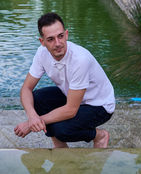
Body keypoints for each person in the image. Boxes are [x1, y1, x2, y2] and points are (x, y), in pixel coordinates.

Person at [14, 13, 115, 148]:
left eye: (60, 36)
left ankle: (100, 135)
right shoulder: (41, 53)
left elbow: (70, 110)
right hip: (72, 96)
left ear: (66, 34)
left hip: (99, 105)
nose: (58, 43)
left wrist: (30, 125)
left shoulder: (80, 59)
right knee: (37, 98)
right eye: (50, 39)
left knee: (61, 129)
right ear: (42, 42)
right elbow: (26, 89)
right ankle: (60, 147)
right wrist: (32, 116)